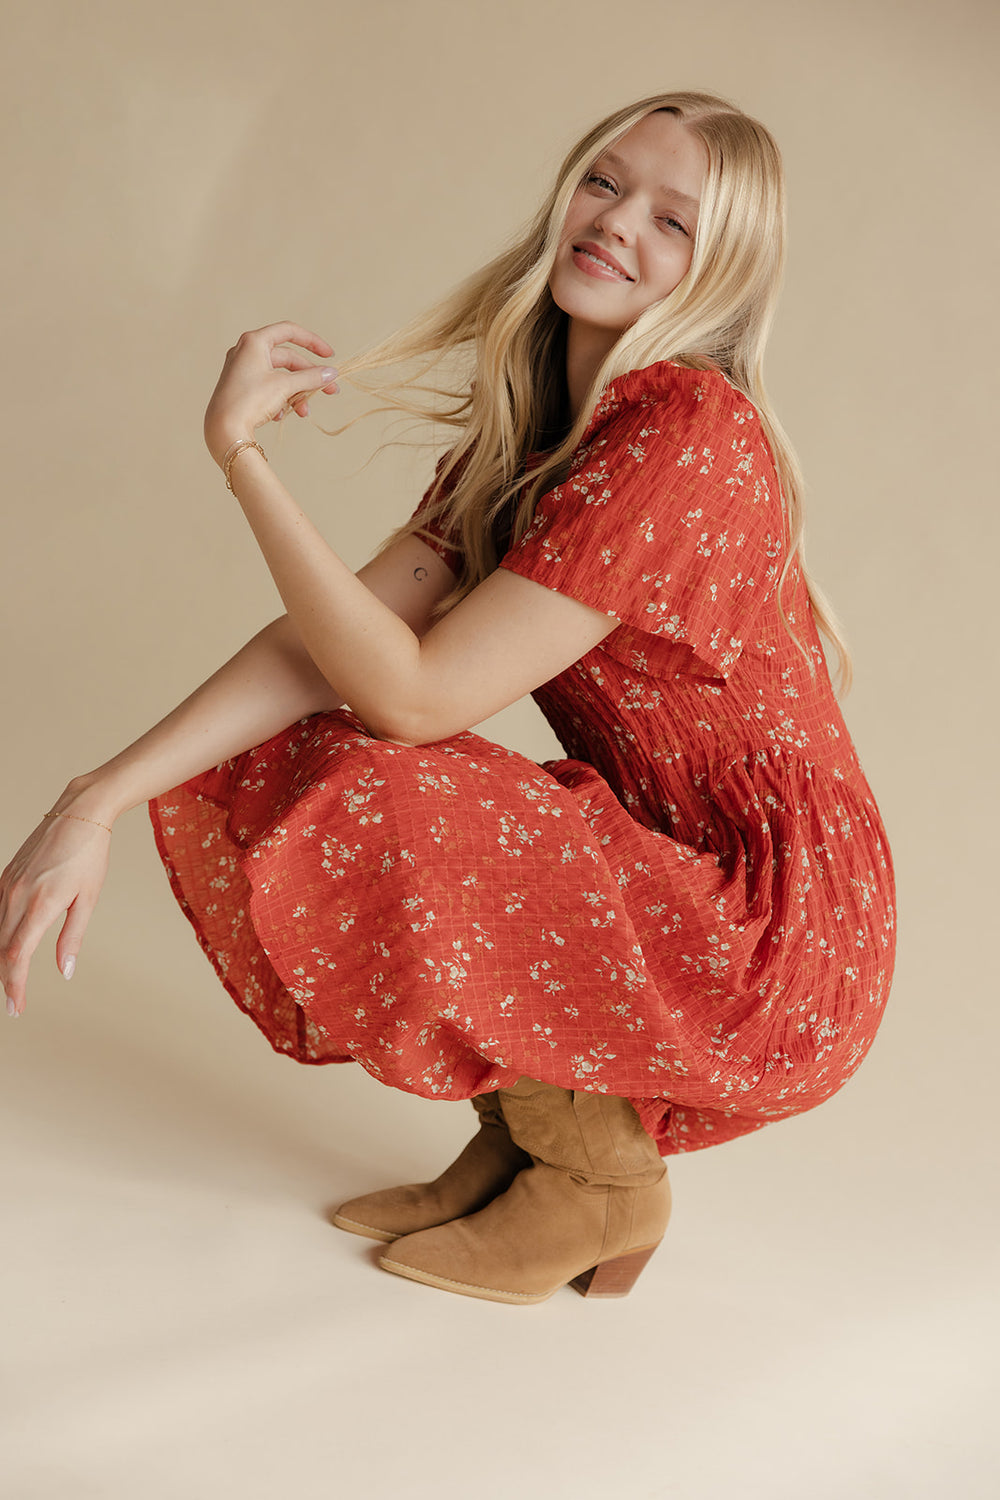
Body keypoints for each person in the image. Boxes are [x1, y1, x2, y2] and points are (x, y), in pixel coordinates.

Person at [0, 92, 895, 1305]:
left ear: (719, 274)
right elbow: (320, 652)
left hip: (773, 933)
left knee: (380, 778)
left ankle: (598, 1185)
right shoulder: (534, 437)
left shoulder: (687, 432)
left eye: (673, 221)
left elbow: (412, 698)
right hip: (660, 876)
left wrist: (242, 461)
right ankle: (534, 1143)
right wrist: (89, 802)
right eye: (604, 182)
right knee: (303, 743)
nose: (618, 223)